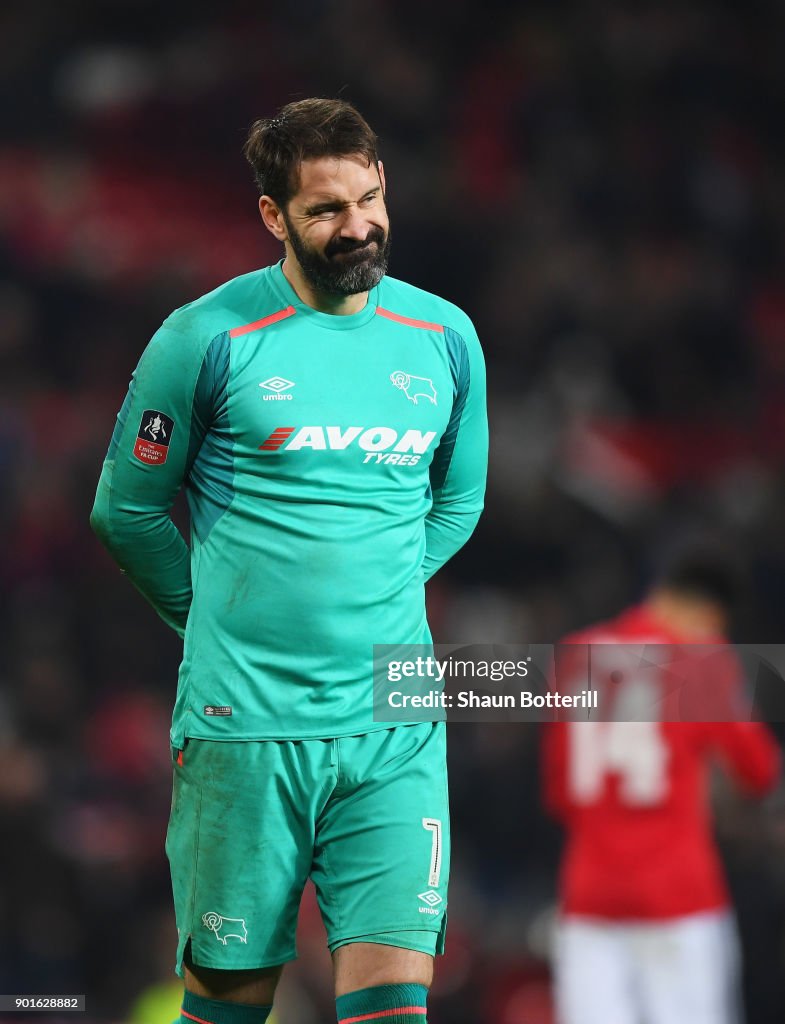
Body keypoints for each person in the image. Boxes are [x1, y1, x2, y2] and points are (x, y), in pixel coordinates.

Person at [90, 97, 488, 1024]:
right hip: (244, 726)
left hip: (393, 723)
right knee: (230, 1003)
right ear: (272, 216)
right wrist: (214, 619)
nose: (358, 227)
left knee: (394, 1004)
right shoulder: (206, 336)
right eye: (325, 210)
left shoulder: (444, 337)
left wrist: (374, 589)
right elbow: (127, 511)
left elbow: (459, 498)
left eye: (370, 199)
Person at [541, 553, 780, 1024]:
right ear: (709, 613)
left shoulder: (578, 653)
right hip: (679, 895)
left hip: (590, 895)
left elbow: (559, 794)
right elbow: (759, 771)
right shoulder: (701, 659)